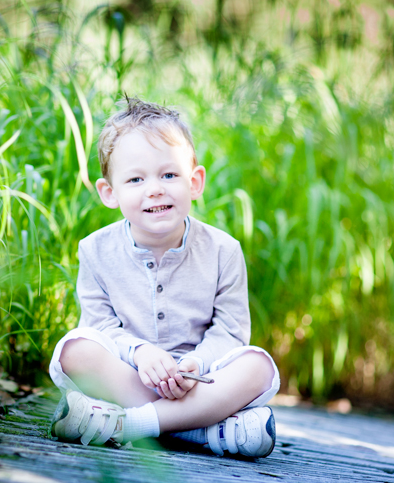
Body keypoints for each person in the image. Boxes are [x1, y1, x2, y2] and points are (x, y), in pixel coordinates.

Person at [48, 98, 280, 458]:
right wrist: (140, 353)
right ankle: (204, 429)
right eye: (135, 179)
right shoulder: (95, 250)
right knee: (74, 350)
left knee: (258, 367)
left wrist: (196, 363)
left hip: (199, 379)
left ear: (195, 182)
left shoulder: (224, 250)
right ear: (110, 193)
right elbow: (100, 325)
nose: (155, 188)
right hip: (131, 375)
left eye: (169, 175)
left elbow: (231, 332)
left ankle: (127, 424)